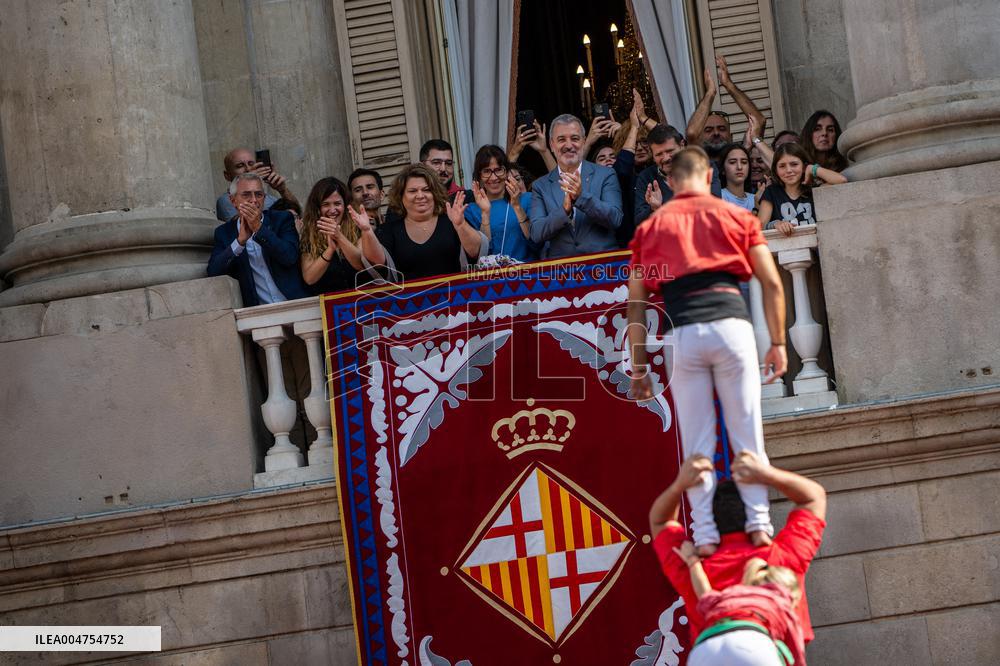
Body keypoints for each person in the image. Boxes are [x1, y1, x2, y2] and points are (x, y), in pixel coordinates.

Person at [628, 147, 787, 553]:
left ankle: (704, 535)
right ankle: (759, 525)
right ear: (709, 176)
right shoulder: (736, 216)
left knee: (697, 442)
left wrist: (639, 368)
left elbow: (637, 303)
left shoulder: (652, 227)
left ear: (672, 182)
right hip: (733, 328)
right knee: (747, 433)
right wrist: (778, 342)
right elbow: (770, 282)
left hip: (686, 334)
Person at [649, 452, 827, 650]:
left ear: (708, 522)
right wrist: (765, 473)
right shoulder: (783, 558)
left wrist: (680, 485)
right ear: (756, 515)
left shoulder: (693, 566)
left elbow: (660, 521)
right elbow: (813, 498)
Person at [673, 539, 806, 666]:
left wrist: (692, 559)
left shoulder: (732, 595)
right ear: (791, 594)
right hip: (752, 645)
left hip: (705, 649)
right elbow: (796, 653)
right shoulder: (781, 601)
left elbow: (705, 594)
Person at [360, 163, 487, 281]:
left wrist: (460, 225)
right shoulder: (389, 230)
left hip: (455, 300)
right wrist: (366, 231)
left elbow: (476, 251)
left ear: (435, 193)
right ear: (401, 196)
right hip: (408, 303)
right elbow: (377, 264)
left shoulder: (452, 220)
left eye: (426, 190)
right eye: (412, 191)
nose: (420, 195)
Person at [529, 113, 623, 259]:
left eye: (575, 138)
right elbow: (536, 233)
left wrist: (581, 197)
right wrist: (564, 211)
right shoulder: (540, 186)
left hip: (604, 264)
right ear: (552, 145)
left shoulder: (606, 174)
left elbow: (615, 219)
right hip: (561, 272)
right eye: (561, 140)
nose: (568, 145)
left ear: (584, 142)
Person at [207, 173, 308, 306]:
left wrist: (259, 229)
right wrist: (239, 242)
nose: (254, 200)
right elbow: (214, 271)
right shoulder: (224, 233)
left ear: (264, 199)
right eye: (246, 195)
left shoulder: (282, 219)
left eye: (259, 194)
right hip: (259, 312)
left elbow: (289, 256)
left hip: (295, 303)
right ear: (233, 201)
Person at [464, 145, 537, 262]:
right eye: (486, 171)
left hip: (528, 274)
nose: (493, 177)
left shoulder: (528, 199)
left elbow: (536, 243)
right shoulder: (471, 210)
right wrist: (485, 213)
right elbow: (482, 255)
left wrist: (517, 207)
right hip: (492, 278)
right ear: (479, 176)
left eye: (498, 170)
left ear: (507, 172)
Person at [686, 56, 767, 161]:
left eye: (722, 129)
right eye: (708, 130)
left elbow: (759, 121)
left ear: (731, 136)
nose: (716, 133)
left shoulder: (740, 159)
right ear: (699, 138)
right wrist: (710, 93)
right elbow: (691, 133)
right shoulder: (697, 162)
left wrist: (729, 85)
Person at [757, 143, 847, 237]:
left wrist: (813, 169)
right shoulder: (771, 192)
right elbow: (759, 226)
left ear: (804, 167)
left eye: (794, 164)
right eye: (782, 166)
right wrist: (775, 224)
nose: (788, 170)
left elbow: (842, 181)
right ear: (776, 170)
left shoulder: (814, 190)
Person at [299, 177, 369, 295]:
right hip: (330, 308)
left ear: (346, 205)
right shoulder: (309, 235)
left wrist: (339, 237)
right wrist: (330, 250)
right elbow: (309, 278)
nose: (332, 210)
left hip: (363, 301)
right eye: (326, 204)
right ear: (317, 209)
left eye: (337, 203)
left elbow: (362, 265)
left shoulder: (358, 227)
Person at [215, 147, 298, 222]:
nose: (248, 169)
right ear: (227, 176)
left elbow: (298, 214)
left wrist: (282, 190)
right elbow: (242, 226)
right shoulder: (225, 200)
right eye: (240, 166)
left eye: (251, 164)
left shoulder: (270, 198)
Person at [633, 124, 686, 226]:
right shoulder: (646, 177)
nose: (666, 158)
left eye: (670, 151)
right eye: (659, 154)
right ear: (652, 156)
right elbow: (639, 222)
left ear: (682, 145)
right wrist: (653, 208)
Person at [719, 143, 755, 211]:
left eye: (744, 162)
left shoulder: (755, 199)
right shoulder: (718, 197)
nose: (739, 167)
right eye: (732, 162)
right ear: (723, 169)